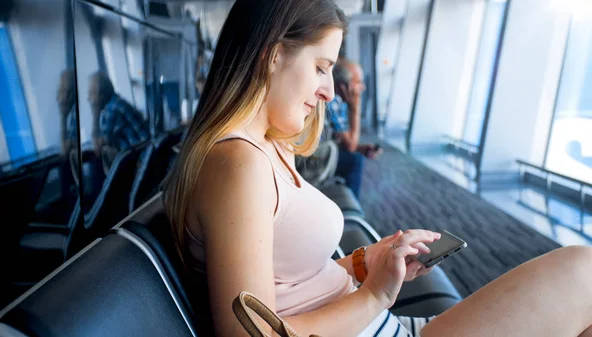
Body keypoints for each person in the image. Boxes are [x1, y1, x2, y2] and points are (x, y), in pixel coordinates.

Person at [163, 1, 592, 336]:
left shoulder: (266, 147)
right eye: (321, 67)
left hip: (383, 328)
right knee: (584, 272)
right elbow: (249, 333)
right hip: (381, 327)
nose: (330, 91)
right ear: (273, 56)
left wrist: (370, 261)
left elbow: (294, 286)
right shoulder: (237, 164)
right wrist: (376, 295)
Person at [326, 60, 382, 198]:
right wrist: (356, 107)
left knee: (354, 155)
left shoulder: (339, 102)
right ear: (344, 85)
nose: (362, 87)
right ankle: (352, 211)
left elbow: (344, 141)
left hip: (322, 153)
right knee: (354, 161)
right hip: (311, 162)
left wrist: (359, 148)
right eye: (358, 82)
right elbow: (350, 145)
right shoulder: (332, 102)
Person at [88, 71, 150, 155]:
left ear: (101, 95)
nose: (88, 98)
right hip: (145, 151)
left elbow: (97, 147)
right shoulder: (116, 102)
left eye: (91, 94)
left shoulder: (112, 109)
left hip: (143, 156)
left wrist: (95, 115)